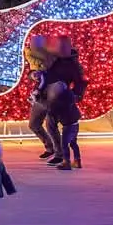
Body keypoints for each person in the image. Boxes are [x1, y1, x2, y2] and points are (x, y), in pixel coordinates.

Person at [40, 37, 87, 167]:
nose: (61, 49)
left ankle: (67, 159)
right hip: (51, 100)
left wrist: (74, 96)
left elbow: (80, 82)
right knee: (51, 127)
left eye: (63, 47)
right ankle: (61, 155)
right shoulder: (53, 60)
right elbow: (44, 76)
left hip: (63, 104)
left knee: (69, 140)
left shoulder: (73, 64)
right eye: (59, 46)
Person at [46, 81, 82, 170]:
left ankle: (66, 162)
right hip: (75, 123)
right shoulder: (69, 95)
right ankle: (77, 161)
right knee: (73, 143)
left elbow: (53, 110)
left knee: (64, 144)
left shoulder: (60, 99)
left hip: (68, 124)